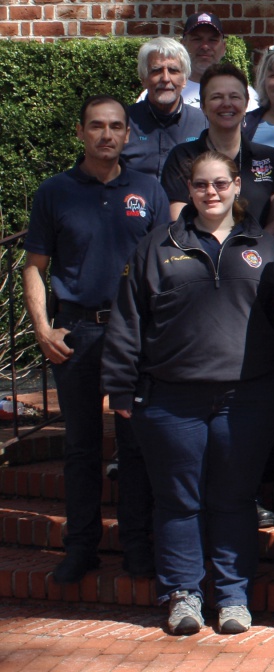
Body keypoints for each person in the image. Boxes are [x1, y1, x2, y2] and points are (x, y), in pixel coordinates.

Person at [101, 151, 274, 636]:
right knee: (178, 501)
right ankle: (183, 594)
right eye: (202, 184)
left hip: (247, 399)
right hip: (170, 400)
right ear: (190, 187)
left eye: (221, 184)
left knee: (234, 498)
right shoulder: (156, 245)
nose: (212, 193)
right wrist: (120, 384)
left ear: (237, 185)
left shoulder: (264, 247)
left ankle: (231, 596)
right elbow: (128, 320)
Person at [22, 95, 166, 584]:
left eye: (116, 127)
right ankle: (81, 546)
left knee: (137, 447)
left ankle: (136, 546)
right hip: (77, 334)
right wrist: (43, 329)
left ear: (129, 134)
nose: (107, 134)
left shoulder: (148, 189)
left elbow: (167, 266)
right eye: (97, 126)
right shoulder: (54, 192)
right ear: (81, 133)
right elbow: (35, 268)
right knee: (81, 448)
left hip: (135, 337)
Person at [160, 63, 274, 234]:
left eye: (234, 96)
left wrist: (255, 251)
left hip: (258, 255)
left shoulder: (268, 158)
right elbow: (178, 220)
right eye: (216, 97)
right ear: (203, 106)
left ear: (246, 104)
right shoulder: (182, 157)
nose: (226, 104)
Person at [136, 13, 260, 111]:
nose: (205, 46)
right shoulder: (159, 90)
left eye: (212, 40)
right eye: (197, 39)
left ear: (223, 48)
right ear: (183, 44)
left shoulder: (243, 92)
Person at [123, 37, 207, 177]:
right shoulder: (124, 121)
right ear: (143, 79)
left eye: (173, 70)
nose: (166, 79)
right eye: (156, 70)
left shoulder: (202, 123)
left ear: (185, 79)